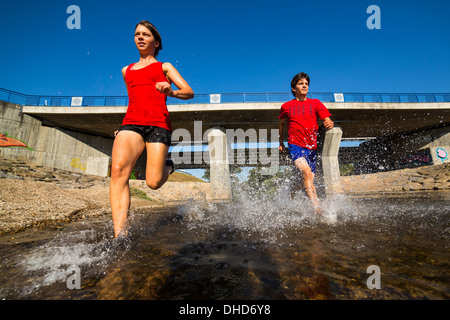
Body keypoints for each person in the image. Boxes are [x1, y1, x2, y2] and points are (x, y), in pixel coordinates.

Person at [110, 21, 194, 238]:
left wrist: (170, 91)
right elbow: (135, 99)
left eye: (145, 35)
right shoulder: (126, 70)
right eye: (137, 34)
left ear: (155, 42)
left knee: (153, 183)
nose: (140, 37)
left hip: (159, 124)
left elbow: (188, 92)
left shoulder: (164, 67)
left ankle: (168, 166)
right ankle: (121, 235)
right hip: (131, 123)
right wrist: (122, 129)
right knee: (118, 171)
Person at [278, 72, 333, 214]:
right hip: (295, 145)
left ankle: (290, 195)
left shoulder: (315, 103)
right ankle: (318, 210)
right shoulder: (286, 106)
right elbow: (281, 123)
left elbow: (326, 118)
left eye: (306, 84)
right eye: (301, 83)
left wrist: (328, 122)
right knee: (307, 173)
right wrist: (281, 142)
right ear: (294, 88)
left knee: (307, 181)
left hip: (312, 149)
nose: (304, 86)